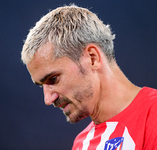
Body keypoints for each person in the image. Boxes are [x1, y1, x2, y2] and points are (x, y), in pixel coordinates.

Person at [21, 4, 157, 150]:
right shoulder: (81, 144)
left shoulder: (153, 115)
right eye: (42, 85)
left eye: (53, 79)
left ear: (92, 58)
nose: (48, 99)